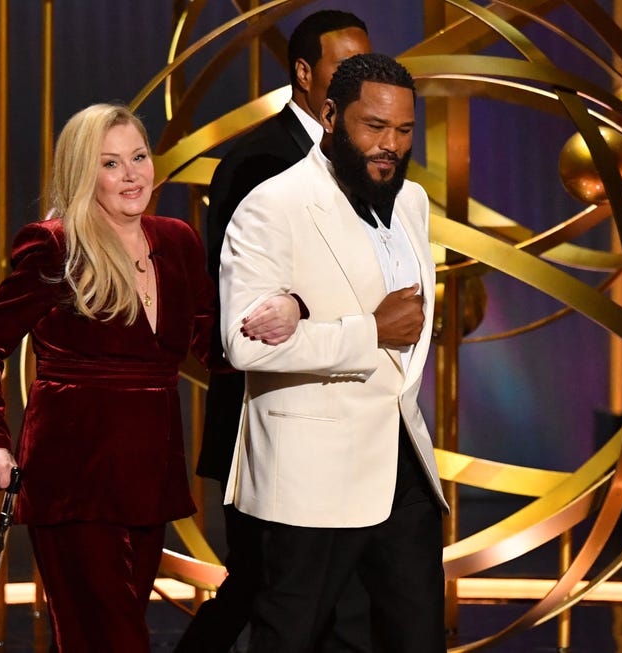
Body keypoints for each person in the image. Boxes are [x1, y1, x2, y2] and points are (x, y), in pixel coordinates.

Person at [0, 103, 298, 653]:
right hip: (74, 479)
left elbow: (215, 349)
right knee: (114, 640)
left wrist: (290, 313)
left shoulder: (178, 241)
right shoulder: (56, 245)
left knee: (107, 635)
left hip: (148, 478)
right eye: (110, 163)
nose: (132, 174)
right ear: (82, 173)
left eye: (138, 157)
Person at [219, 54, 448, 653]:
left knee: (417, 638)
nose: (390, 145)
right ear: (329, 115)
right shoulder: (274, 205)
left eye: (403, 130)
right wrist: (367, 331)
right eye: (374, 126)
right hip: (312, 471)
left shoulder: (413, 202)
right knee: (290, 639)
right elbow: (242, 344)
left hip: (401, 466)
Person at [176, 10, 373, 653]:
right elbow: (244, 305)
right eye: (346, 69)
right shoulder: (258, 160)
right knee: (271, 584)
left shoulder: (367, 160)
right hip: (266, 416)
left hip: (342, 413)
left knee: (309, 590)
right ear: (304, 73)